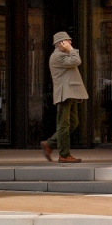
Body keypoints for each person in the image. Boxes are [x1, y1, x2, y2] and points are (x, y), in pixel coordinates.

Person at [41, 31, 88, 164]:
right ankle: (64, 154)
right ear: (61, 43)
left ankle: (49, 144)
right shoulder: (57, 56)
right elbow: (77, 60)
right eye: (68, 41)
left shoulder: (63, 55)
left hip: (70, 94)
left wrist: (69, 49)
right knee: (63, 125)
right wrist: (71, 49)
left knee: (73, 122)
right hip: (64, 94)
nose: (70, 43)